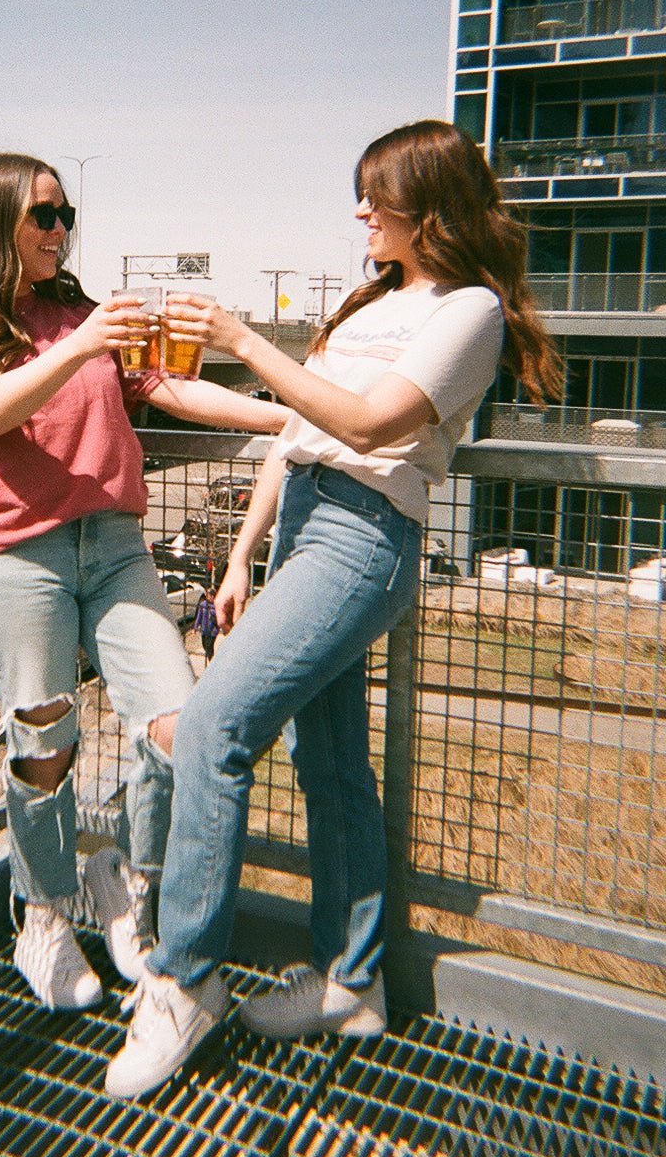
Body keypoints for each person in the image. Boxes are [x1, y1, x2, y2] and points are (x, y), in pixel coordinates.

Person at [104, 120, 562, 1097]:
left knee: (213, 727)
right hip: (309, 524)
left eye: (375, 196)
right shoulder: (367, 304)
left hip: (364, 538)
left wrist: (238, 342)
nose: (360, 210)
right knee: (331, 761)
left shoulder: (470, 311)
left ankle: (184, 984)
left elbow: (364, 421)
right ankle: (354, 985)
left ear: (425, 209)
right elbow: (300, 435)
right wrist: (240, 556)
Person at [0, 152, 288, 1012]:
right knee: (44, 744)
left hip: (113, 544)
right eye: (43, 214)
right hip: (14, 552)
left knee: (178, 725)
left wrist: (290, 410)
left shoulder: (76, 310)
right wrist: (80, 344)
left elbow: (174, 389)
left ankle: (125, 882)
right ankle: (41, 914)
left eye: (66, 214)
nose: (60, 229)